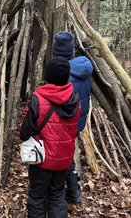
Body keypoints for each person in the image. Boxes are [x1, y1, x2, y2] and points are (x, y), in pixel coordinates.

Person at [20, 57, 81, 218]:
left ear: (47, 76)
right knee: (57, 194)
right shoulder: (75, 100)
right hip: (64, 159)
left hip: (42, 159)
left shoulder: (37, 99)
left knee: (38, 197)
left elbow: (23, 131)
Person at [51, 31, 93, 204]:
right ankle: (74, 192)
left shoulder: (62, 75)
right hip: (78, 122)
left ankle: (67, 192)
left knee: (62, 158)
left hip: (63, 123)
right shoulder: (84, 70)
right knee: (68, 155)